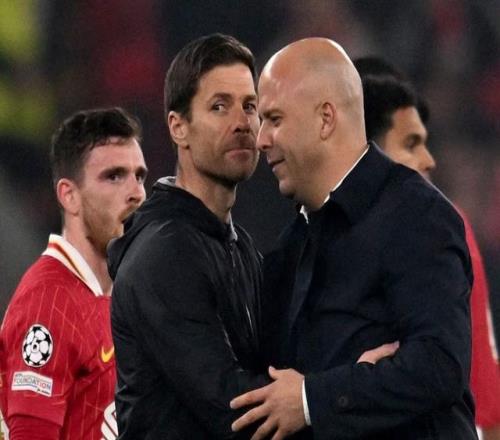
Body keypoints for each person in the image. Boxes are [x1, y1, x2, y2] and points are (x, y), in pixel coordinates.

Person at [230, 38, 476, 439]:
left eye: (274, 118)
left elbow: (440, 363)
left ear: (326, 119)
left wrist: (313, 398)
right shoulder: (289, 250)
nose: (261, 139)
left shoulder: (415, 215)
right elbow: (277, 392)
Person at [108, 33, 272, 439]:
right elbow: (232, 409)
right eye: (219, 106)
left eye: (250, 106)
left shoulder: (239, 246)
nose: (241, 123)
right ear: (178, 127)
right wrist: (323, 402)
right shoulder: (165, 253)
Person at [354, 59, 500, 440]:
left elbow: (486, 402)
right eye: (410, 144)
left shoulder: (447, 230)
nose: (428, 161)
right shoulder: (303, 244)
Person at [0, 107, 147, 440]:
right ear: (69, 196)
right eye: (114, 176)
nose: (136, 193)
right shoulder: (49, 303)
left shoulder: (116, 297)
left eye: (139, 176)